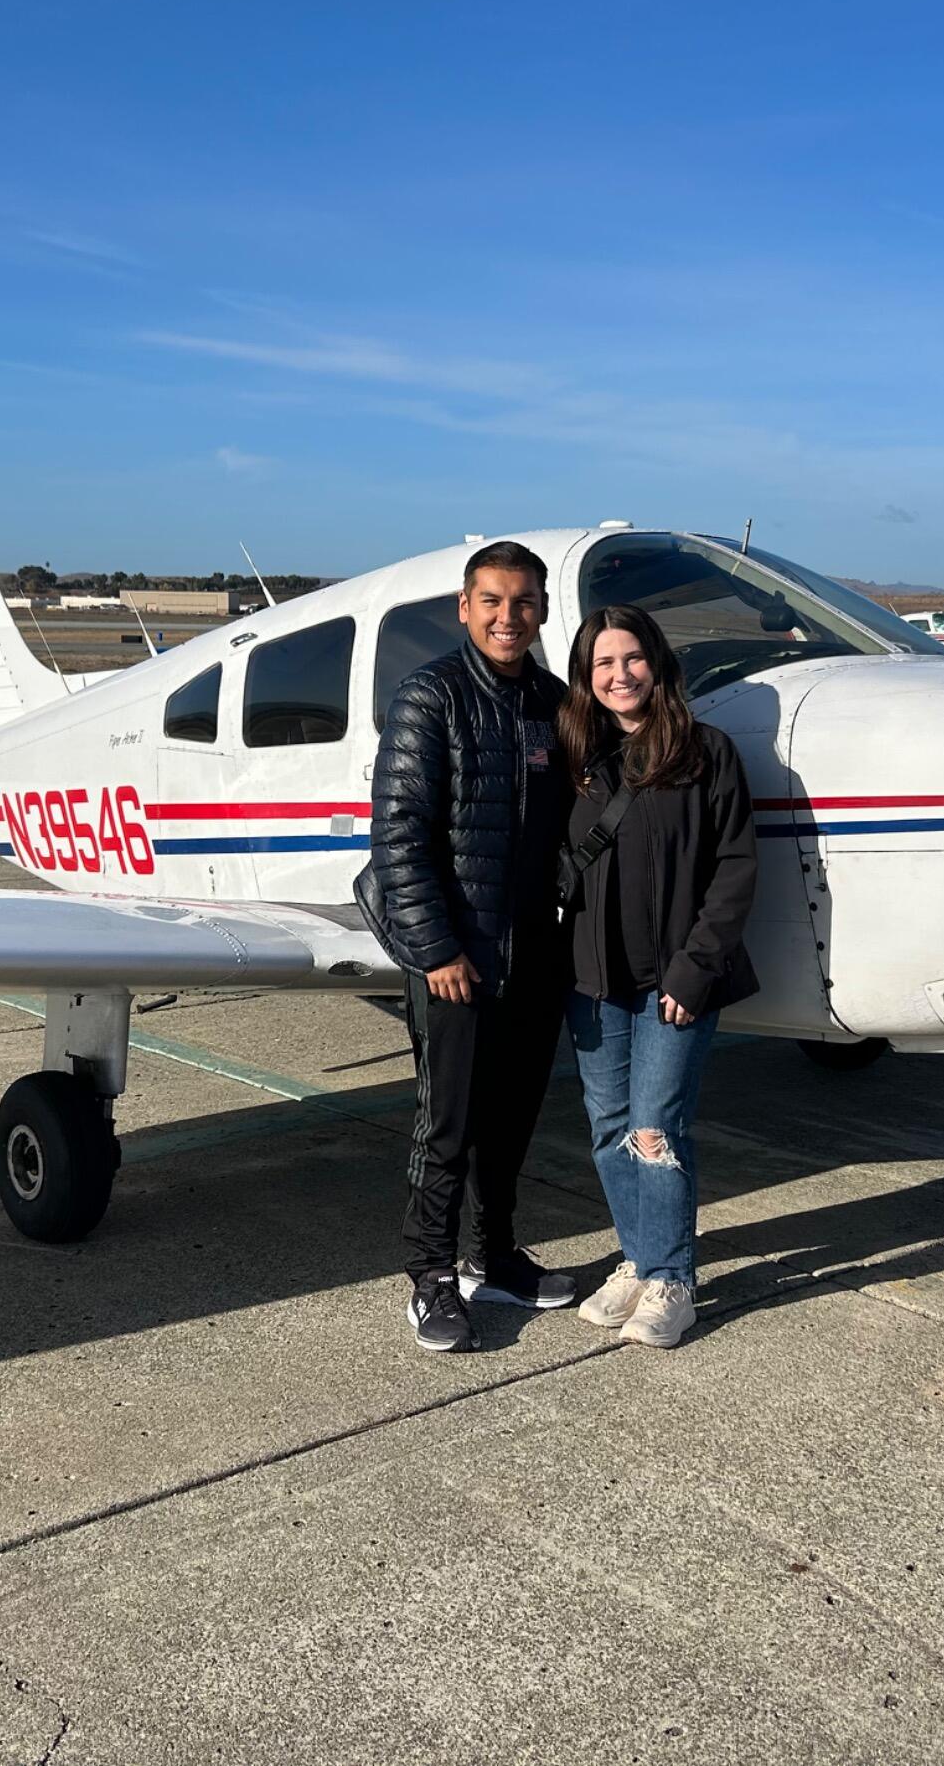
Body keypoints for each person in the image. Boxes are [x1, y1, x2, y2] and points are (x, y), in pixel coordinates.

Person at [365, 541, 579, 1351]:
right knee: (445, 1123)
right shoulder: (430, 698)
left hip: (533, 956)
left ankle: (494, 1255)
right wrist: (436, 948)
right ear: (464, 607)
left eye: (523, 602)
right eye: (491, 600)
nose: (507, 616)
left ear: (543, 611)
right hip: (457, 959)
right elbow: (400, 837)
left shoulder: (554, 705)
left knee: (514, 1117)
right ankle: (429, 1274)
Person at [556, 604, 758, 1349]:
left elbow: (735, 868)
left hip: (675, 982)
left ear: (658, 662)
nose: (620, 674)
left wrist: (696, 966)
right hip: (591, 982)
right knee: (608, 1127)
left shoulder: (707, 753)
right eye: (603, 663)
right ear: (587, 676)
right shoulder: (576, 760)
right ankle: (638, 1257)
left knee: (654, 1128)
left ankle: (674, 1275)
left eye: (632, 657)